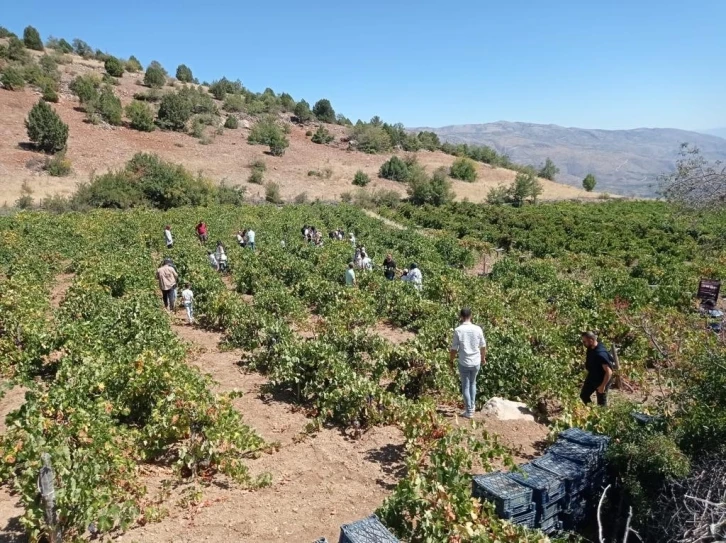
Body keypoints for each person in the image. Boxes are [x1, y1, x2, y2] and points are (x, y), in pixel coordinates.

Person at [449, 308, 487, 418]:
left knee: (465, 386)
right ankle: (472, 407)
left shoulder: (458, 330)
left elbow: (454, 349)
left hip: (464, 362)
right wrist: (482, 358)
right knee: (473, 383)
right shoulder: (478, 329)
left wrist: (451, 360)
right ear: (471, 316)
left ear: (461, 317)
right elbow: (483, 346)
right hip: (475, 362)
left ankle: (469, 411)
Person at [580, 331, 614, 406]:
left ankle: (602, 416)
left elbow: (609, 372)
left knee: (601, 404)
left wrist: (602, 386)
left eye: (584, 341)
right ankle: (593, 413)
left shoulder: (600, 354)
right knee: (584, 395)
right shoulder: (591, 347)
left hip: (602, 380)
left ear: (591, 340)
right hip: (592, 376)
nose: (583, 343)